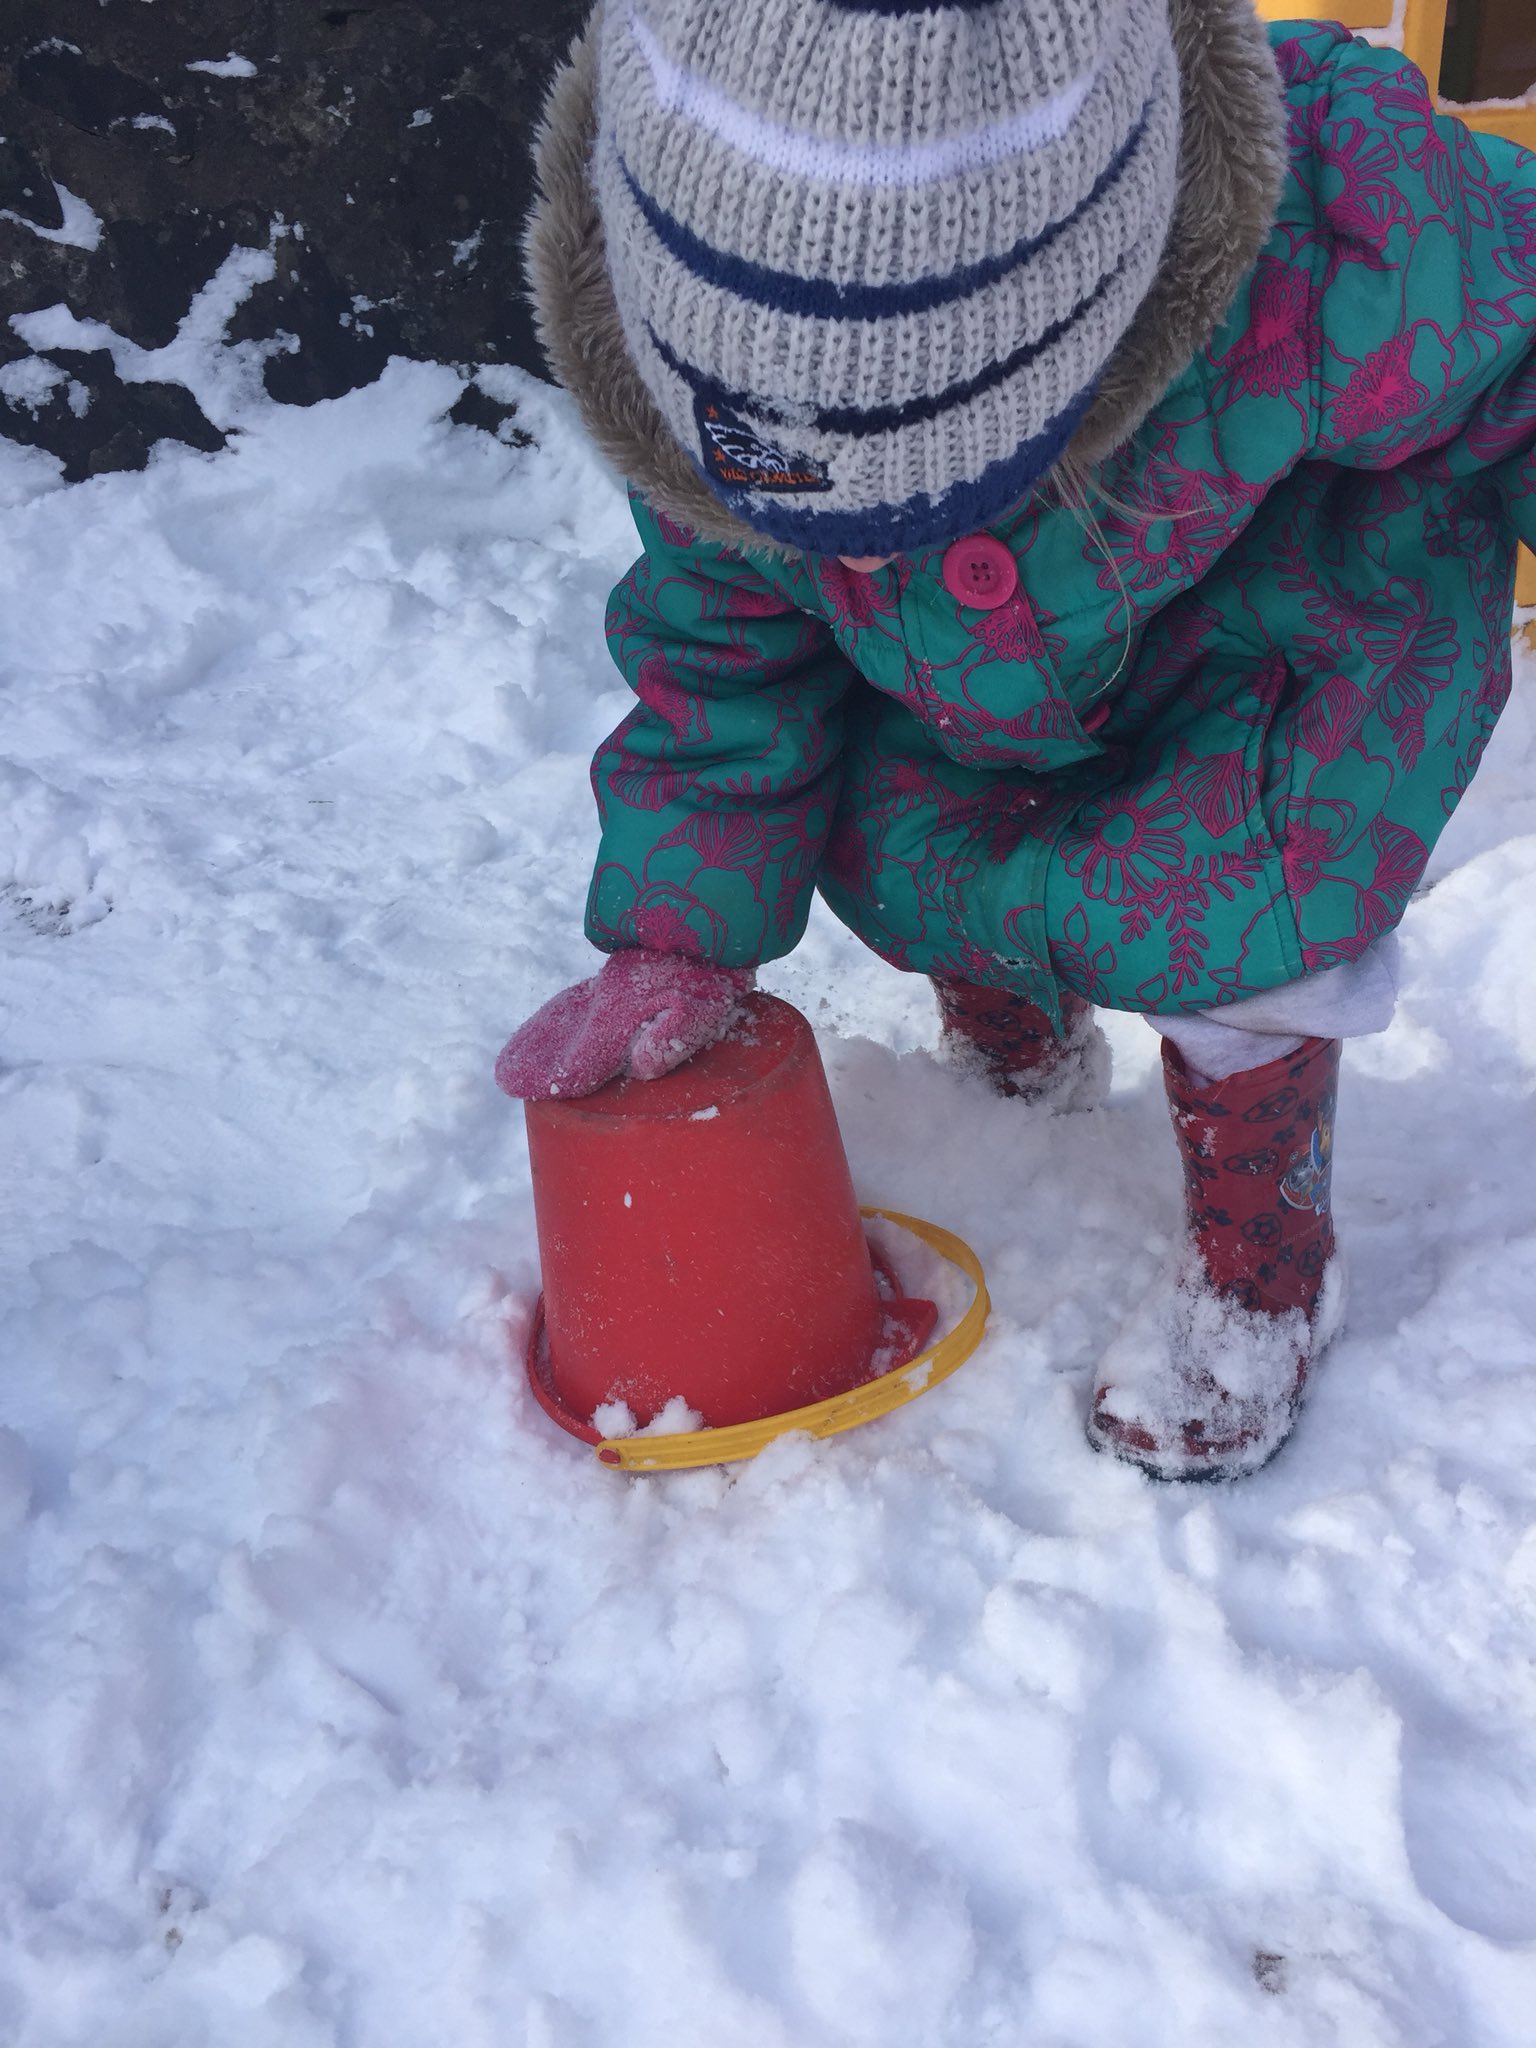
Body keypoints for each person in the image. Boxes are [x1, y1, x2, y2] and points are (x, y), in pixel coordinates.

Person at [495, 0, 1536, 1478]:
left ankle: (1261, 1263)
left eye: (921, 489)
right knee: (912, 843)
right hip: (951, 683)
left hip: (1274, 645)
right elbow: (723, 650)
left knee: (1246, 920)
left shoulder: (1342, 231)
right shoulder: (706, 367)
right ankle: (1014, 1056)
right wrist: (682, 925)